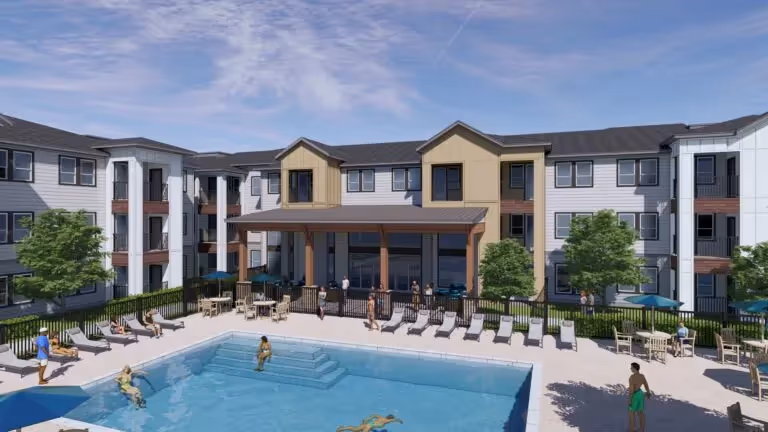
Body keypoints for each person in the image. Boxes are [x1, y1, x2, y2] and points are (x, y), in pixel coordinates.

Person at [628, 362, 652, 432]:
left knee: (631, 414)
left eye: (631, 367)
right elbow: (646, 385)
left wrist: (630, 400)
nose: (630, 369)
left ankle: (631, 430)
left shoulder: (632, 377)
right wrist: (648, 393)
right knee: (640, 413)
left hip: (634, 395)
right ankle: (642, 430)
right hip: (640, 394)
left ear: (635, 368)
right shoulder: (642, 376)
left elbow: (632, 390)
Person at [336, 414, 403, 432]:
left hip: (368, 423)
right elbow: (395, 420)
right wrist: (400, 421)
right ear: (390, 418)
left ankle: (341, 429)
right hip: (369, 426)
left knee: (355, 429)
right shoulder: (387, 421)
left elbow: (373, 415)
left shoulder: (380, 416)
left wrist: (368, 419)